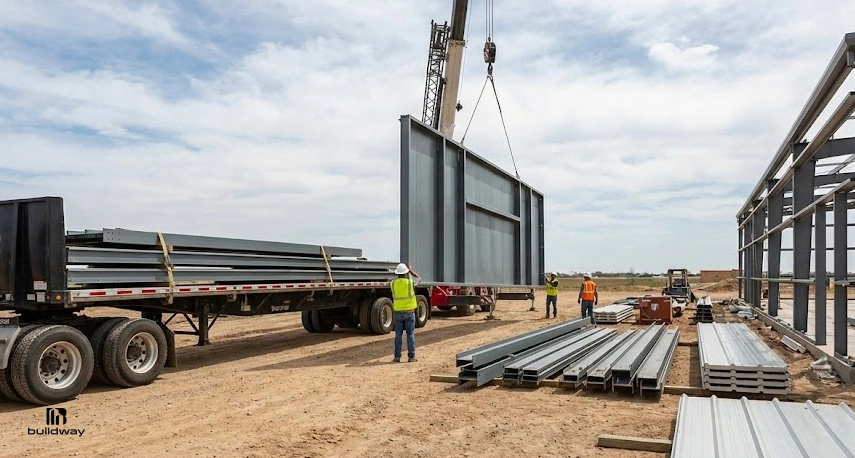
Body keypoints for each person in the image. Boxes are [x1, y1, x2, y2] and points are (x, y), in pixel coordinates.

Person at [390, 262, 421, 363]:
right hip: (409, 312)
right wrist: (411, 271)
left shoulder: (393, 283)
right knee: (410, 334)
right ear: (406, 273)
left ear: (397, 273)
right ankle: (411, 357)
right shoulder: (410, 283)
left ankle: (397, 357)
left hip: (398, 313)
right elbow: (419, 279)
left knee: (398, 335)